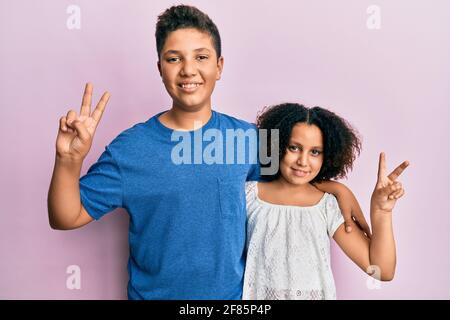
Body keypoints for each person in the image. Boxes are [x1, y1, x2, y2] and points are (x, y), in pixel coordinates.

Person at [47, 5, 369, 299]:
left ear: (219, 65)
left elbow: (293, 184)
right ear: (160, 67)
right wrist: (68, 160)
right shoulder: (130, 149)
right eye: (174, 59)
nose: (188, 70)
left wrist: (338, 189)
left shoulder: (253, 139)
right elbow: (66, 216)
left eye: (201, 57)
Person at [243, 103, 409, 300]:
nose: (303, 161)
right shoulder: (248, 196)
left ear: (328, 155)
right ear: (276, 146)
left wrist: (381, 212)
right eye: (294, 148)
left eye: (315, 152)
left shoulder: (327, 205)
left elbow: (382, 270)